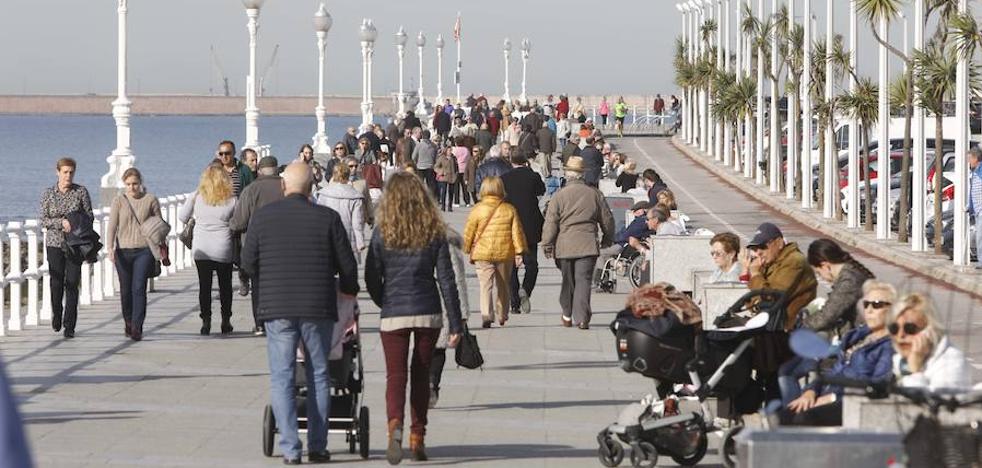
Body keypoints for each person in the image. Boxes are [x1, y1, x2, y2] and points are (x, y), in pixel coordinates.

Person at [241, 163, 359, 465]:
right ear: (311, 187)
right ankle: (318, 446)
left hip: (277, 306)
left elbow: (247, 262)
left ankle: (291, 449)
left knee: (282, 376)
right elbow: (347, 266)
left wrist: (268, 277)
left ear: (284, 186)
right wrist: (348, 289)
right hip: (317, 306)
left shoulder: (264, 218)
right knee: (319, 373)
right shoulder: (328, 218)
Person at [365, 172, 463, 465]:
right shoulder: (433, 230)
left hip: (393, 313)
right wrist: (455, 323)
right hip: (427, 311)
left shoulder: (383, 231)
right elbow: (447, 280)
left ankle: (394, 425)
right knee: (421, 376)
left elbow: (371, 275)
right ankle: (417, 437)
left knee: (395, 376)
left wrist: (385, 300)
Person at [779, 280, 896, 426]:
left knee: (802, 418)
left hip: (853, 403)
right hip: (829, 394)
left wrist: (832, 398)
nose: (869, 310)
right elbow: (832, 371)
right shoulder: (856, 336)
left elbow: (876, 385)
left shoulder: (890, 345)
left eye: (877, 304)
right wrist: (811, 392)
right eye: (866, 304)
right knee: (781, 416)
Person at [744, 222, 818, 400]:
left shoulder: (793, 262)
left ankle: (781, 412)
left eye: (763, 246)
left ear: (778, 242)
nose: (759, 252)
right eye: (755, 248)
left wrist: (755, 274)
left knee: (756, 358)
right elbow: (754, 302)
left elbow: (770, 298)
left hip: (790, 330)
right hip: (774, 327)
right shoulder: (772, 263)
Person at [542, 156, 615, 329]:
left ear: (567, 173)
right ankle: (582, 317)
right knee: (583, 280)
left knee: (568, 280)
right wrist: (607, 238)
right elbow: (607, 219)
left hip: (564, 244)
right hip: (587, 243)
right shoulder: (595, 194)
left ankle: (567, 314)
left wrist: (547, 243)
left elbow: (551, 222)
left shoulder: (559, 196)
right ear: (582, 174)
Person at [107, 168, 165, 342]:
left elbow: (159, 224)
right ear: (124, 184)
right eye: (128, 184)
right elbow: (112, 226)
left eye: (135, 184)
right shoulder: (119, 201)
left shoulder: (150, 200)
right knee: (126, 290)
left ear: (141, 183)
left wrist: (160, 245)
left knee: (139, 288)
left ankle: (137, 327)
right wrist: (110, 247)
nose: (132, 187)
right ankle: (128, 321)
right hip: (123, 251)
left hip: (144, 250)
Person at [39, 157, 93, 339]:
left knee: (72, 283)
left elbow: (89, 216)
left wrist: (74, 221)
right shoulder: (48, 194)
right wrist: (60, 222)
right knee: (56, 282)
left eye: (71, 172)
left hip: (75, 244)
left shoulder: (81, 192)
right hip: (54, 243)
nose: (68, 175)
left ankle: (69, 325)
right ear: (58, 172)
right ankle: (57, 313)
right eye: (65, 172)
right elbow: (43, 219)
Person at [230, 156, 284, 336]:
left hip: (257, 245)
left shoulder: (251, 189)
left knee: (258, 285)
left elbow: (239, 222)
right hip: (283, 244)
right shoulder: (287, 186)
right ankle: (281, 320)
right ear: (276, 169)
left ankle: (260, 324)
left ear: (259, 171)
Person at [179, 165, 236, 335]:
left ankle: (206, 320)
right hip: (223, 247)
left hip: (201, 248)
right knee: (225, 286)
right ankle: (226, 320)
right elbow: (239, 220)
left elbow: (182, 216)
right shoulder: (232, 200)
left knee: (205, 286)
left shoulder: (197, 197)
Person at [463, 176, 527, 328]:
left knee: (485, 285)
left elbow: (469, 231)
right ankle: (502, 313)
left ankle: (486, 314)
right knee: (503, 285)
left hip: (482, 253)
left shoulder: (477, 209)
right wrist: (519, 252)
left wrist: (466, 247)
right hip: (504, 253)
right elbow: (516, 233)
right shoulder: (509, 209)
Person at [890, 293, 972, 389]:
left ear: (929, 331)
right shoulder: (897, 360)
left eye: (910, 328)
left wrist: (915, 372)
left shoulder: (952, 362)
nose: (900, 335)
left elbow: (942, 402)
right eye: (894, 328)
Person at [501, 152, 546, 316]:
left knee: (511, 267)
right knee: (531, 263)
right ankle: (525, 289)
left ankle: (514, 303)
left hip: (511, 223)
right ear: (525, 162)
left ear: (511, 161)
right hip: (530, 224)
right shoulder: (532, 176)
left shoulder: (504, 178)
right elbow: (542, 190)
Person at [315, 163, 366, 261]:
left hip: (329, 238)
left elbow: (319, 218)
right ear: (348, 175)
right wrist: (360, 242)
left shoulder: (324, 194)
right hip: (348, 239)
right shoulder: (355, 196)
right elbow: (357, 223)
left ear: (334, 175)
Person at [411, 130, 438, 196]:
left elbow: (413, 157)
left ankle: (420, 197)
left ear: (422, 136)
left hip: (420, 167)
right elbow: (435, 157)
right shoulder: (434, 146)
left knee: (420, 184)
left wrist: (416, 162)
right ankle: (432, 198)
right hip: (430, 167)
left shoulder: (419, 145)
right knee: (431, 185)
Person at [969, 147, 982, 268]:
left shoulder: (981, 171)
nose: (969, 161)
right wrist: (970, 207)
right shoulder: (974, 172)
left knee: (980, 236)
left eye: (970, 158)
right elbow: (972, 191)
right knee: (979, 236)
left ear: (976, 158)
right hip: (977, 210)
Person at [434, 147, 458, 212]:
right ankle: (443, 206)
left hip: (452, 177)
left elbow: (456, 167)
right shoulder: (442, 158)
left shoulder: (453, 158)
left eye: (451, 150)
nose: (450, 152)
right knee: (443, 192)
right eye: (449, 150)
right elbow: (436, 167)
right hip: (443, 177)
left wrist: (456, 174)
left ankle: (450, 207)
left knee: (451, 192)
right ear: (446, 151)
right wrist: (441, 172)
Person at [451, 137, 471, 207]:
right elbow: (469, 158)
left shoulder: (454, 150)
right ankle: (467, 201)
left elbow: (452, 158)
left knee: (456, 186)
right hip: (465, 169)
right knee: (465, 186)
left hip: (457, 169)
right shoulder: (466, 150)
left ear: (456, 143)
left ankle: (457, 202)